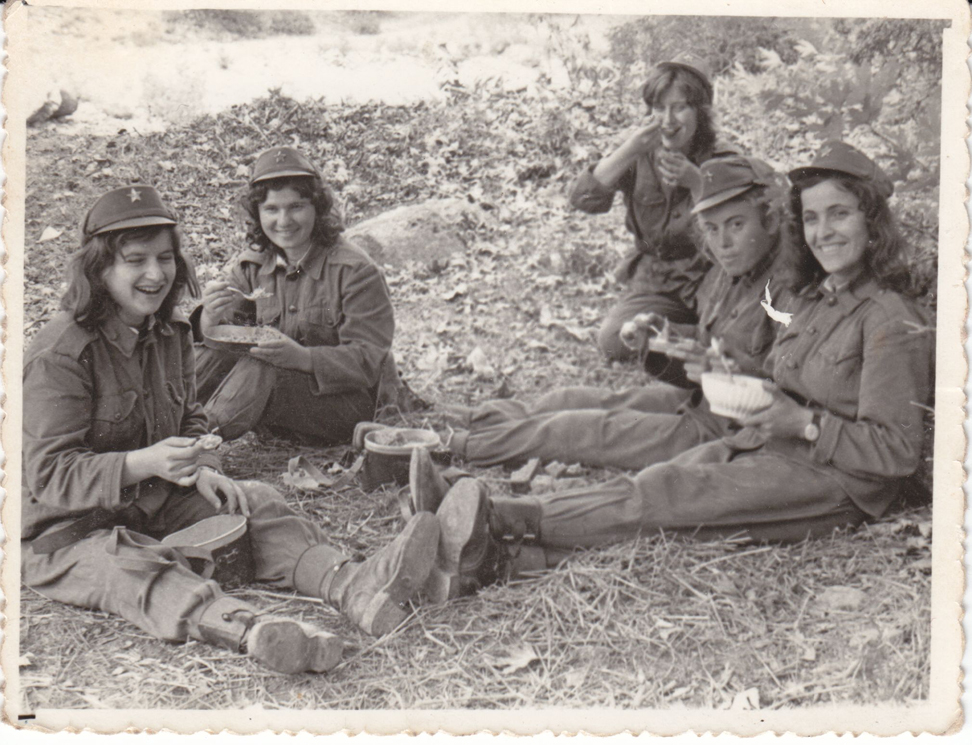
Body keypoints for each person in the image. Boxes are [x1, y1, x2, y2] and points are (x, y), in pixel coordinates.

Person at [414, 142, 933, 594]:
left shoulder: (888, 317)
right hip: (768, 442)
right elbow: (773, 384)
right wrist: (711, 368)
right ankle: (501, 555)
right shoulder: (817, 296)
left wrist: (805, 424)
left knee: (666, 496)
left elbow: (896, 451)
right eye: (814, 218)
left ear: (872, 220)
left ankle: (494, 518)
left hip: (835, 482)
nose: (824, 232)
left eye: (840, 214)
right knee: (661, 484)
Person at [22, 186, 440, 675]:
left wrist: (202, 466)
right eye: (135, 260)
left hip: (150, 503)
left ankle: (355, 586)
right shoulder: (62, 355)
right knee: (128, 566)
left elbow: (190, 417)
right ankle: (256, 631)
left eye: (165, 258)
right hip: (66, 532)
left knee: (255, 501)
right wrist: (146, 462)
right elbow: (48, 475)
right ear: (99, 268)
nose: (155, 274)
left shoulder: (168, 333)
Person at [416, 156, 789, 478]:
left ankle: (453, 445)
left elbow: (787, 387)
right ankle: (474, 418)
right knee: (574, 398)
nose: (722, 242)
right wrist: (665, 334)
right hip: (701, 399)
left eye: (736, 225)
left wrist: (718, 365)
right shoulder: (732, 273)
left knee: (587, 430)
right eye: (711, 228)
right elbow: (716, 342)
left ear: (770, 221)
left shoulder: (788, 291)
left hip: (727, 429)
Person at [194, 146, 397, 444]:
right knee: (207, 353)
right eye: (272, 209)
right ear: (257, 214)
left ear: (318, 207)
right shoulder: (252, 264)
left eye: (296, 206)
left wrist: (302, 358)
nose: (284, 221)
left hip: (347, 406)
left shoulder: (354, 271)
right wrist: (209, 319)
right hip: (280, 399)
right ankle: (162, 425)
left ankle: (195, 444)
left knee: (263, 366)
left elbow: (368, 361)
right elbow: (230, 339)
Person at [569, 53, 736, 373]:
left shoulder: (724, 158)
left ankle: (690, 334)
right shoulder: (640, 153)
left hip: (712, 276)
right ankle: (684, 334)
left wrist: (696, 182)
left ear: (700, 113)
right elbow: (583, 199)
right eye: (659, 108)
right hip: (657, 279)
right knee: (615, 340)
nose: (668, 120)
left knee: (734, 341)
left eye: (680, 107)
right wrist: (630, 148)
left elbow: (736, 235)